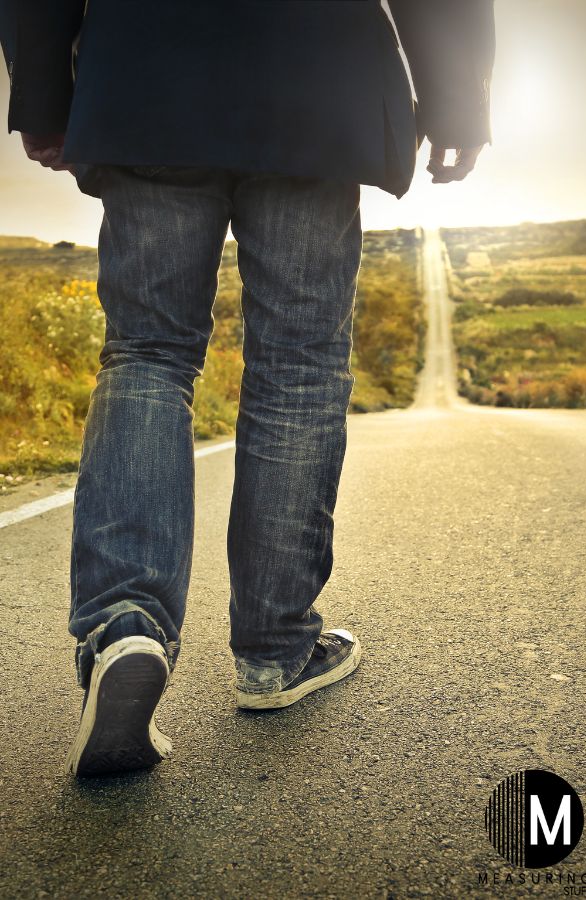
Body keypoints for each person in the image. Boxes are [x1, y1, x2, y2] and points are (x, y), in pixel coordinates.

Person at [0, 0, 495, 776]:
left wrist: (41, 92)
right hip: (317, 78)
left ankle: (123, 625)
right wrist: (457, 95)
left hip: (147, 72)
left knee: (147, 354)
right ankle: (276, 648)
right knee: (298, 366)